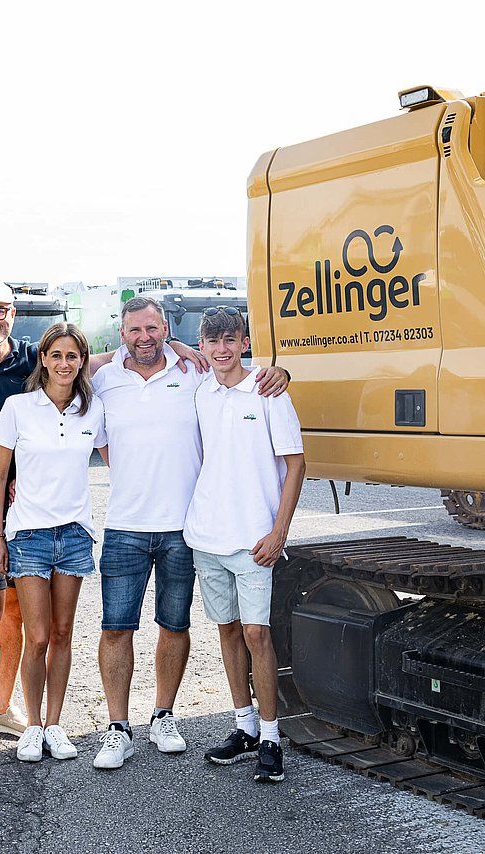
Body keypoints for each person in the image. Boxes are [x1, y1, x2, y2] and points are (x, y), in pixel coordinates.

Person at [0, 283, 210, 760]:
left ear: (12, 313)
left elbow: (101, 358)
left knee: (23, 618)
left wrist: (177, 346)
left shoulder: (38, 362)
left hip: (48, 515)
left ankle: (18, 711)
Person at [88, 296, 290, 770]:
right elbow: (65, 362)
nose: (145, 338)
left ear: (167, 330)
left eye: (154, 329)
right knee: (116, 628)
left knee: (174, 627)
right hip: (124, 526)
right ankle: (118, 729)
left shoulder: (195, 372)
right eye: (135, 330)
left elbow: (235, 367)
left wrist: (282, 371)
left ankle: (163, 716)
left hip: (185, 528)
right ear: (122, 335)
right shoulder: (103, 377)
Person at [184, 306, 305, 784]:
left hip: (256, 538)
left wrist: (279, 532)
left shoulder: (269, 390)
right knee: (228, 631)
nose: (221, 349)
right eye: (212, 341)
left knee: (258, 634)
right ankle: (244, 727)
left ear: (244, 341)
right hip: (206, 535)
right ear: (201, 344)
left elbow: (295, 465)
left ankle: (273, 737)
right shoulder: (200, 393)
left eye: (230, 339)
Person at [0, 323, 106, 762]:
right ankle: (32, 727)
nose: (64, 363)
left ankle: (56, 725)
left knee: (62, 634)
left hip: (75, 535)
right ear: (43, 359)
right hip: (28, 537)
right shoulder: (19, 407)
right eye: (55, 355)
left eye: (72, 356)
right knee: (36, 636)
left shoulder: (93, 411)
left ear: (82, 361)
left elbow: (119, 458)